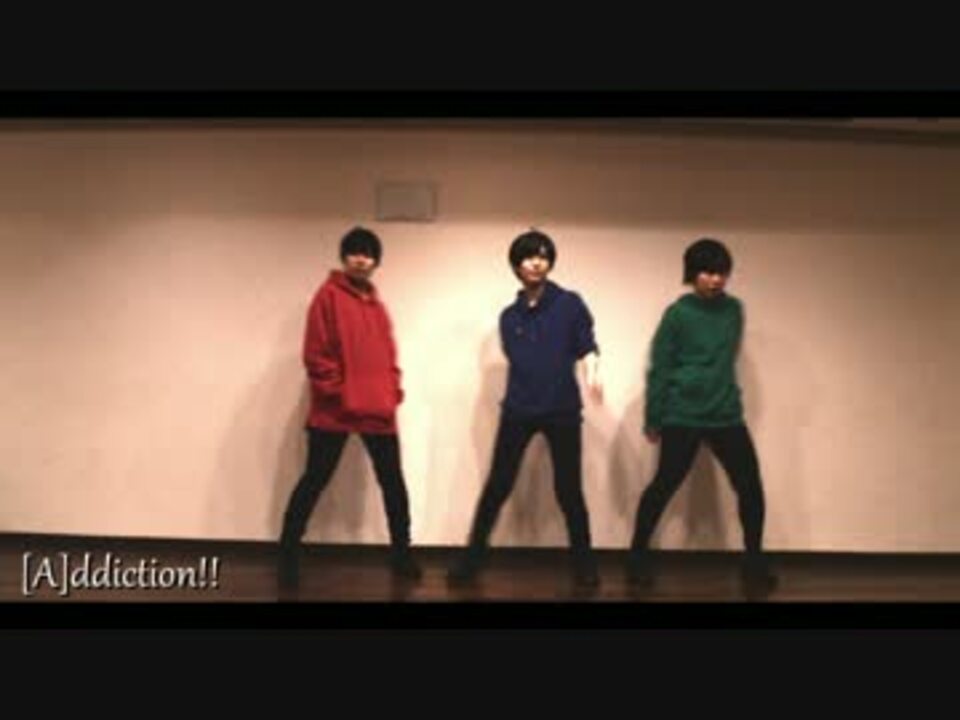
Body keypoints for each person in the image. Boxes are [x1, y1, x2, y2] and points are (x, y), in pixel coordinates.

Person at [448, 229, 603, 590]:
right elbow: (521, 360)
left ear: (550, 263)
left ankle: (585, 565)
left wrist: (594, 374)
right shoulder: (509, 316)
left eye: (543, 256)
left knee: (569, 490)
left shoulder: (570, 304)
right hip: (519, 409)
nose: (536, 263)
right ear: (516, 265)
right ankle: (470, 562)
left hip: (562, 410)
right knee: (497, 486)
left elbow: (586, 345)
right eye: (529, 257)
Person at [627, 237, 777, 598]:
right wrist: (654, 417)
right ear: (692, 274)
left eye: (722, 273)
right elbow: (660, 367)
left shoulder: (734, 310)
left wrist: (717, 388)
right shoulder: (677, 315)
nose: (716, 279)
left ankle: (753, 561)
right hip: (682, 415)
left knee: (751, 488)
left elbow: (723, 359)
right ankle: (637, 557)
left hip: (726, 414)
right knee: (663, 485)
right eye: (707, 272)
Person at [278, 226, 421, 589]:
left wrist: (392, 392)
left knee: (393, 483)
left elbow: (388, 356)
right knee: (314, 480)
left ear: (376, 261)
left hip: (378, 410)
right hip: (334, 411)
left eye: (368, 254)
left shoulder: (378, 307)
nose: (361, 259)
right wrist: (339, 393)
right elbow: (316, 354)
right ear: (344, 257)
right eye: (355, 252)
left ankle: (402, 555)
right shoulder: (326, 297)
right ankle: (287, 556)